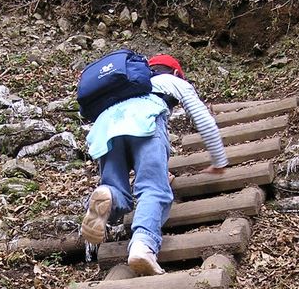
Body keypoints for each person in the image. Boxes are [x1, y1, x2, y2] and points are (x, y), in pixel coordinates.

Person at [81, 53, 228, 276]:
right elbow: (202, 118)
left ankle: (107, 193)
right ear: (177, 73)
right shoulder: (173, 81)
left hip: (107, 127)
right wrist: (218, 159)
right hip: (144, 122)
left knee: (116, 190)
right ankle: (143, 245)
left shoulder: (130, 86)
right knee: (153, 189)